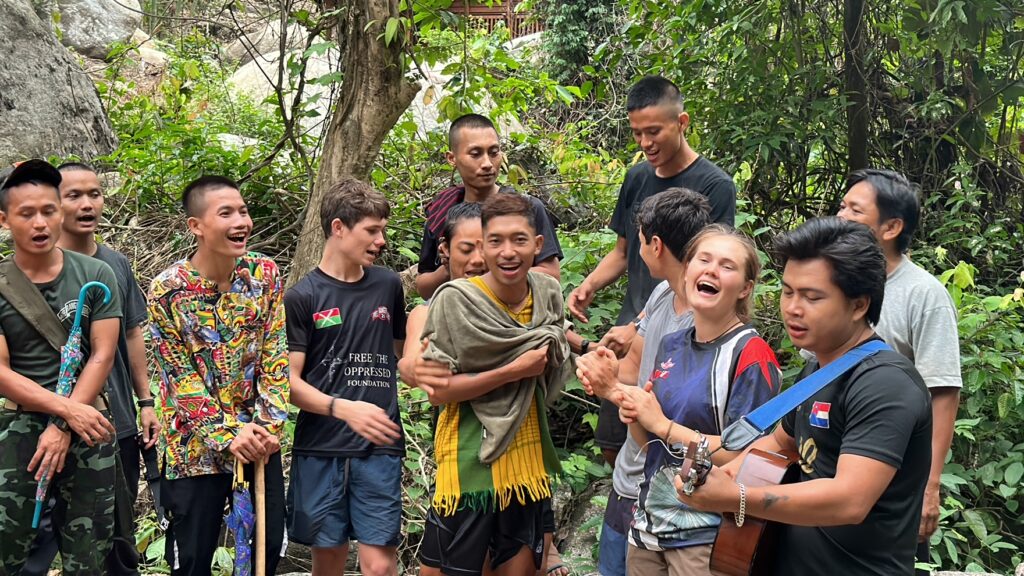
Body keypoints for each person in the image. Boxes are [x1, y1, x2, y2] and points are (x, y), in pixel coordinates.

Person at [678, 217, 933, 575]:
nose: (793, 308)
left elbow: (850, 501)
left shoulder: (885, 383)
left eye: (812, 297)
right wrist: (719, 474)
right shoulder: (819, 369)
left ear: (859, 305)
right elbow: (779, 443)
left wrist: (737, 497)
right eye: (788, 291)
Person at [579, 224, 781, 575]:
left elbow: (750, 456)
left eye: (727, 266)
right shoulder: (672, 343)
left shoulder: (751, 354)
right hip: (648, 525)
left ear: (745, 288)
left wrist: (663, 424)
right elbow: (649, 442)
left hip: (708, 537)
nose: (711, 270)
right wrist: (621, 397)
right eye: (703, 259)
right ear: (687, 271)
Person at [566, 75, 737, 466]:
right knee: (613, 433)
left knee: (665, 432)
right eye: (637, 133)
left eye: (654, 131)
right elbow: (623, 251)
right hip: (634, 325)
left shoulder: (715, 185)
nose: (646, 143)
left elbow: (708, 266)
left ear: (682, 122)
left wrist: (639, 324)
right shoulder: (637, 178)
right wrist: (588, 285)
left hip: (684, 325)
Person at [400, 202, 570, 576]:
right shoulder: (452, 302)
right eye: (493, 242)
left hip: (525, 463)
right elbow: (437, 390)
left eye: (519, 240)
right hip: (468, 462)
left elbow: (558, 348)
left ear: (538, 244)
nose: (504, 252)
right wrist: (513, 370)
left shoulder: (545, 294)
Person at [22, 162, 160, 576]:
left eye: (94, 194)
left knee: (116, 538)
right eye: (74, 195)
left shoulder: (115, 265)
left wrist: (146, 401)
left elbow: (132, 335)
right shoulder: (28, 270)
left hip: (111, 422)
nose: (87, 204)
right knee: (35, 538)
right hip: (39, 426)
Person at [148, 175, 290, 575]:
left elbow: (275, 354)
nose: (240, 221)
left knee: (265, 551)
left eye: (242, 211)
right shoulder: (168, 290)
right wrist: (229, 436)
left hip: (259, 441)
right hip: (193, 450)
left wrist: (266, 426)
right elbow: (179, 377)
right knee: (192, 559)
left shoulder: (264, 275)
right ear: (196, 226)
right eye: (225, 213)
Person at [573, 188, 710, 576]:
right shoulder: (663, 292)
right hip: (630, 477)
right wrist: (604, 370)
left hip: (670, 489)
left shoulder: (706, 320)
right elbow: (636, 364)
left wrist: (614, 390)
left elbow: (670, 408)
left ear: (654, 244)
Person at [0, 159, 121, 574]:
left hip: (90, 423)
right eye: (26, 213)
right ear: (4, 220)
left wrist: (66, 424)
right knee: (8, 545)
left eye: (49, 211)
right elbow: (1, 372)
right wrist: (63, 411)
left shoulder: (96, 273)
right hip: (20, 429)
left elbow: (102, 354)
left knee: (90, 550)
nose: (40, 223)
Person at [836, 169, 961, 570]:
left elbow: (942, 392)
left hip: (893, 476)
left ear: (891, 227)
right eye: (842, 206)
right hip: (833, 465)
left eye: (854, 210)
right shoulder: (837, 286)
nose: (840, 216)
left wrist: (930, 484)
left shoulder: (923, 294)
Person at [284, 179, 407, 576]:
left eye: (383, 230)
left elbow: (405, 354)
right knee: (329, 561)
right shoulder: (302, 296)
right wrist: (343, 409)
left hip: (380, 446)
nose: (381, 240)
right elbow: (290, 383)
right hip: (321, 447)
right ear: (339, 228)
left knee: (378, 567)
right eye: (372, 230)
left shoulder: (387, 285)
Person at [414, 113, 562, 300]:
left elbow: (551, 275)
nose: (487, 164)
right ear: (452, 158)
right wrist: (450, 266)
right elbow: (424, 288)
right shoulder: (442, 212)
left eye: (494, 153)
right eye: (475, 154)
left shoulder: (526, 208)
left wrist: (494, 272)